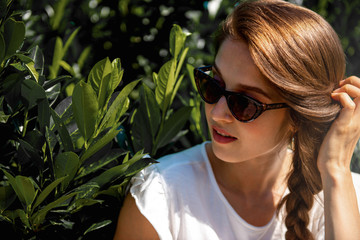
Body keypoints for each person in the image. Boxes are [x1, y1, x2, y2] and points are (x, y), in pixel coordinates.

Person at [113, 0, 360, 239]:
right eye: (213, 85)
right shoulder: (160, 195)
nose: (217, 113)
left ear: (297, 116)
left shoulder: (346, 196)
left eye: (244, 103)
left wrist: (336, 170)